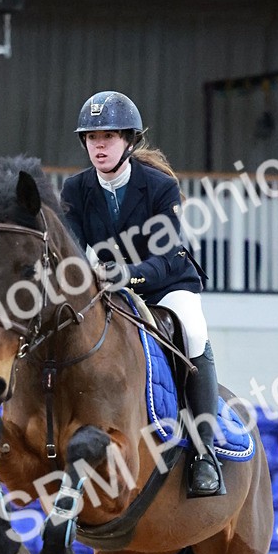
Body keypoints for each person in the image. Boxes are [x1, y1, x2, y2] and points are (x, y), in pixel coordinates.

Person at [60, 90, 225, 498]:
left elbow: (169, 256)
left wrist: (127, 274)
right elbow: (74, 250)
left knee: (194, 331)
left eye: (109, 136)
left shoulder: (159, 186)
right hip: (107, 287)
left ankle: (206, 453)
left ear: (129, 141)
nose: (99, 145)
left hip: (166, 285)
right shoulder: (75, 189)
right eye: (92, 138)